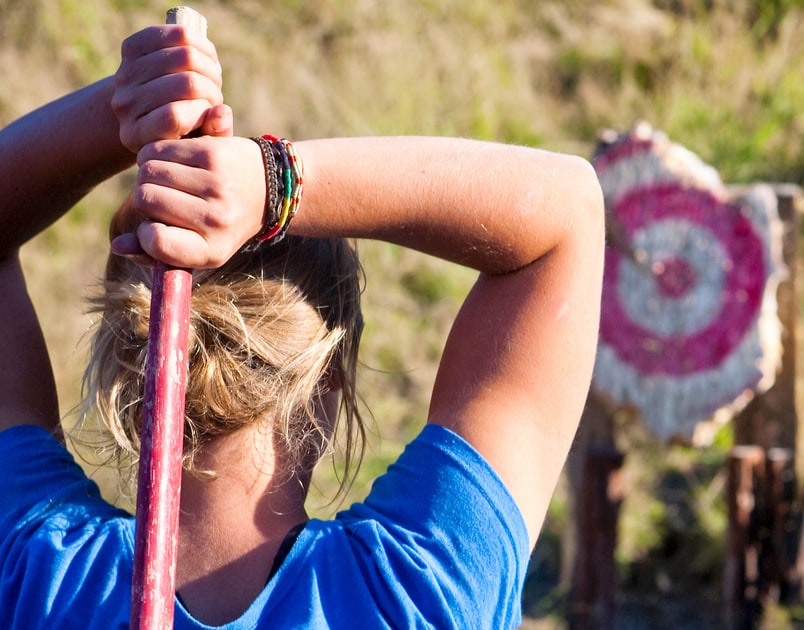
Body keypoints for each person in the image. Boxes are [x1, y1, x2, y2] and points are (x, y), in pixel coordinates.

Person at [0, 19, 603, 630]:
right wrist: (275, 183)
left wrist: (127, 109)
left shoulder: (40, 574)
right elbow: (567, 210)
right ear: (329, 376)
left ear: (135, 356)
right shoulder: (420, 588)